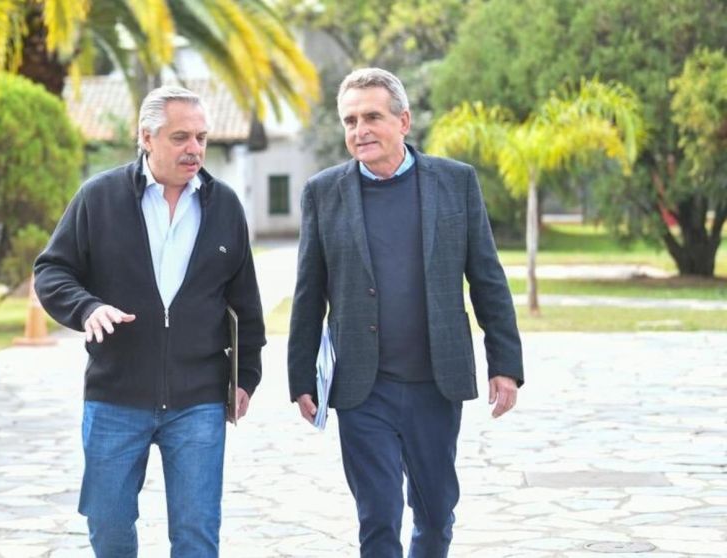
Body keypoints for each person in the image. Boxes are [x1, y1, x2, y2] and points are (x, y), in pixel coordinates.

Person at [287, 68, 524, 557]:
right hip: (361, 387)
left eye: (372, 116)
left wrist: (505, 364)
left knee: (436, 515)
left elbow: (487, 278)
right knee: (377, 519)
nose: (360, 130)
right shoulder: (323, 192)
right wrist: (301, 378)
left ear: (404, 120)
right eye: (350, 121)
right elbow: (309, 292)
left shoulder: (455, 183)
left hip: (435, 384)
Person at [34, 85, 265, 558]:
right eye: (181, 137)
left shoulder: (225, 208)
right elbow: (52, 270)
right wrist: (87, 307)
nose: (195, 149)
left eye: (201, 137)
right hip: (115, 396)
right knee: (109, 526)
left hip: (198, 399)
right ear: (146, 137)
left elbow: (246, 303)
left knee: (197, 534)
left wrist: (248, 377)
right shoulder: (98, 198)